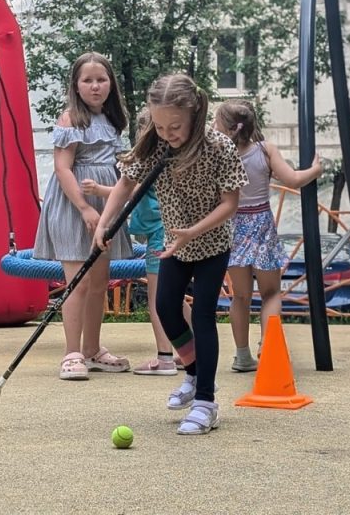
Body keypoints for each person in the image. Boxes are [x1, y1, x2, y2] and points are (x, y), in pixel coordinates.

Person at [95, 73, 248, 435]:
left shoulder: (218, 147)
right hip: (173, 242)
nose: (167, 133)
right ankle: (194, 376)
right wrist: (104, 222)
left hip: (211, 242)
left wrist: (194, 231)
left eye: (174, 126)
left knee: (205, 315)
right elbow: (125, 184)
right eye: (160, 126)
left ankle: (206, 402)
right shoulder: (154, 146)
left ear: (195, 114)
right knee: (165, 307)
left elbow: (231, 203)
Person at [32, 51, 135, 381]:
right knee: (79, 280)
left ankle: (92, 349)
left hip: (105, 205)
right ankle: (71, 353)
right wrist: (85, 207)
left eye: (101, 80)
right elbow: (63, 169)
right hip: (75, 205)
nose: (95, 86)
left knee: (100, 281)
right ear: (76, 86)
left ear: (110, 84)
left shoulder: (111, 118)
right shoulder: (70, 119)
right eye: (88, 80)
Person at [213, 99, 323, 372]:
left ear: (226, 129)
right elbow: (293, 180)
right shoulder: (265, 150)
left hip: (232, 226)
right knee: (271, 292)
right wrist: (316, 170)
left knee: (240, 296)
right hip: (261, 224)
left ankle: (241, 355)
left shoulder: (217, 155)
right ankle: (268, 346)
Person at [82, 108, 192, 377]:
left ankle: (165, 357)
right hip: (174, 231)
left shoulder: (150, 157)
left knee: (158, 300)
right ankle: (192, 349)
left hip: (159, 235)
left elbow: (129, 187)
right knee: (176, 298)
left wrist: (98, 191)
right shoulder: (173, 157)